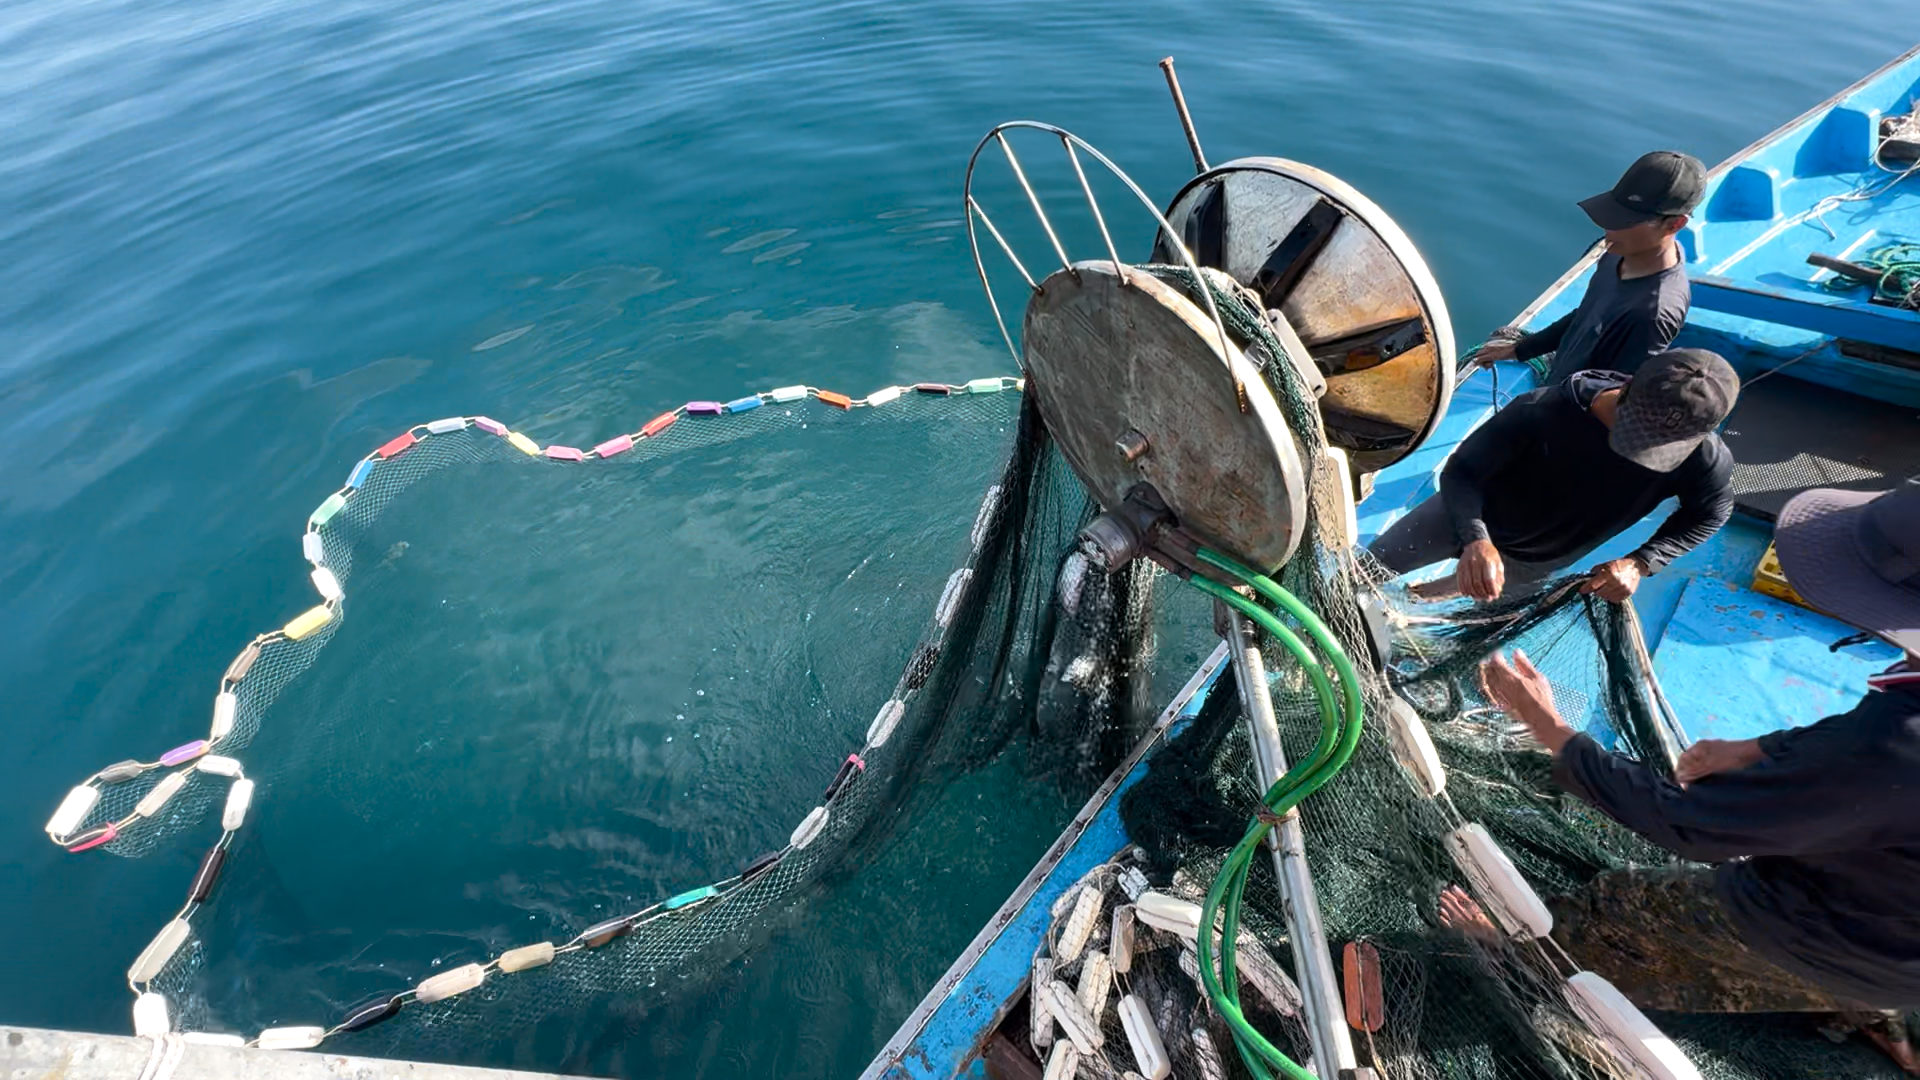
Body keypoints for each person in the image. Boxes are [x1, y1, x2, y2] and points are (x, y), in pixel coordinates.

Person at [1461, 480, 1920, 1070]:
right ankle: (1875, 1018)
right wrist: (1759, 747)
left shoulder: (1890, 744)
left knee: (1623, 906)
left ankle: (1524, 958)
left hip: (1827, 933)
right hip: (1902, 940)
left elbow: (1689, 826)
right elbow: (1860, 759)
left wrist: (1547, 725)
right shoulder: (1888, 733)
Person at [1367, 348, 1737, 603]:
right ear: (1625, 388)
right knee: (1367, 570)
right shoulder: (1542, 409)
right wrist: (1476, 540)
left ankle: (1421, 596)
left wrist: (1641, 562)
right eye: (1634, 432)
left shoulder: (1703, 458)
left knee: (1477, 603)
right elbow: (1463, 473)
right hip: (1465, 515)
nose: (1638, 453)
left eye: (1659, 448)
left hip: (1540, 561)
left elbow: (1709, 514)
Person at [1476, 151, 1705, 382]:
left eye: (1626, 220)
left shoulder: (1653, 314)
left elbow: (1616, 393)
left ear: (1675, 223)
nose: (1609, 230)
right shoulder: (1621, 252)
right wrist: (1521, 350)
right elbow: (1587, 314)